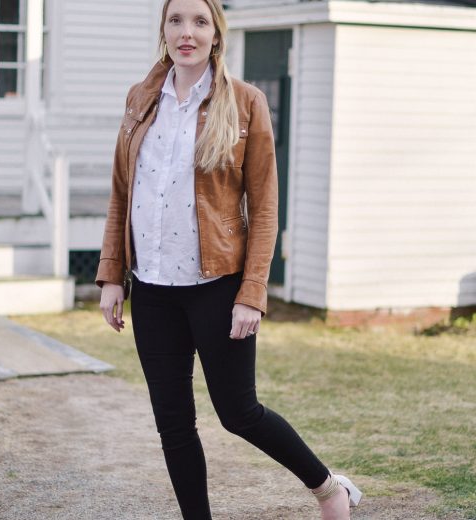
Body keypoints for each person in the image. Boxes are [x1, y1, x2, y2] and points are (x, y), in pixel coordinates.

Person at [96, 0, 362, 518]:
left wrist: (252, 294)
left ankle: (330, 490)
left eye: (200, 22)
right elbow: (121, 193)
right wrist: (112, 276)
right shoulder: (140, 99)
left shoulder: (244, 103)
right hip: (151, 287)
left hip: (218, 287)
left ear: (217, 34)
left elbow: (264, 210)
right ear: (164, 30)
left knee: (239, 412)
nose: (186, 32)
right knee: (172, 423)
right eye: (176, 20)